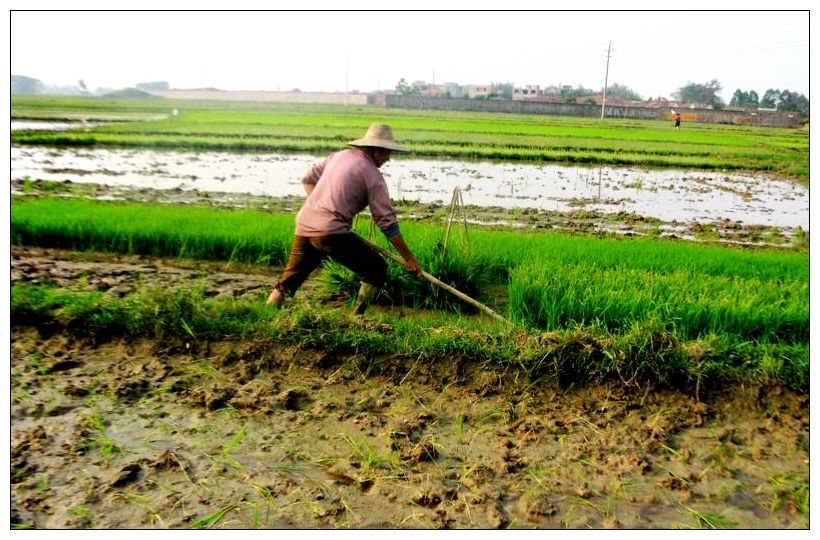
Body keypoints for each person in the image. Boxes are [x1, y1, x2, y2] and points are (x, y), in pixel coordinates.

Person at [266, 123, 421, 314]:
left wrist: (319, 206)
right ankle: (357, 317)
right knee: (377, 269)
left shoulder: (338, 156)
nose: (388, 159)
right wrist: (409, 258)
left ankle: (265, 315)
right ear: (377, 150)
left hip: (305, 223)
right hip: (331, 232)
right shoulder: (373, 176)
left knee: (288, 280)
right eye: (387, 153)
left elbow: (308, 179)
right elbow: (387, 223)